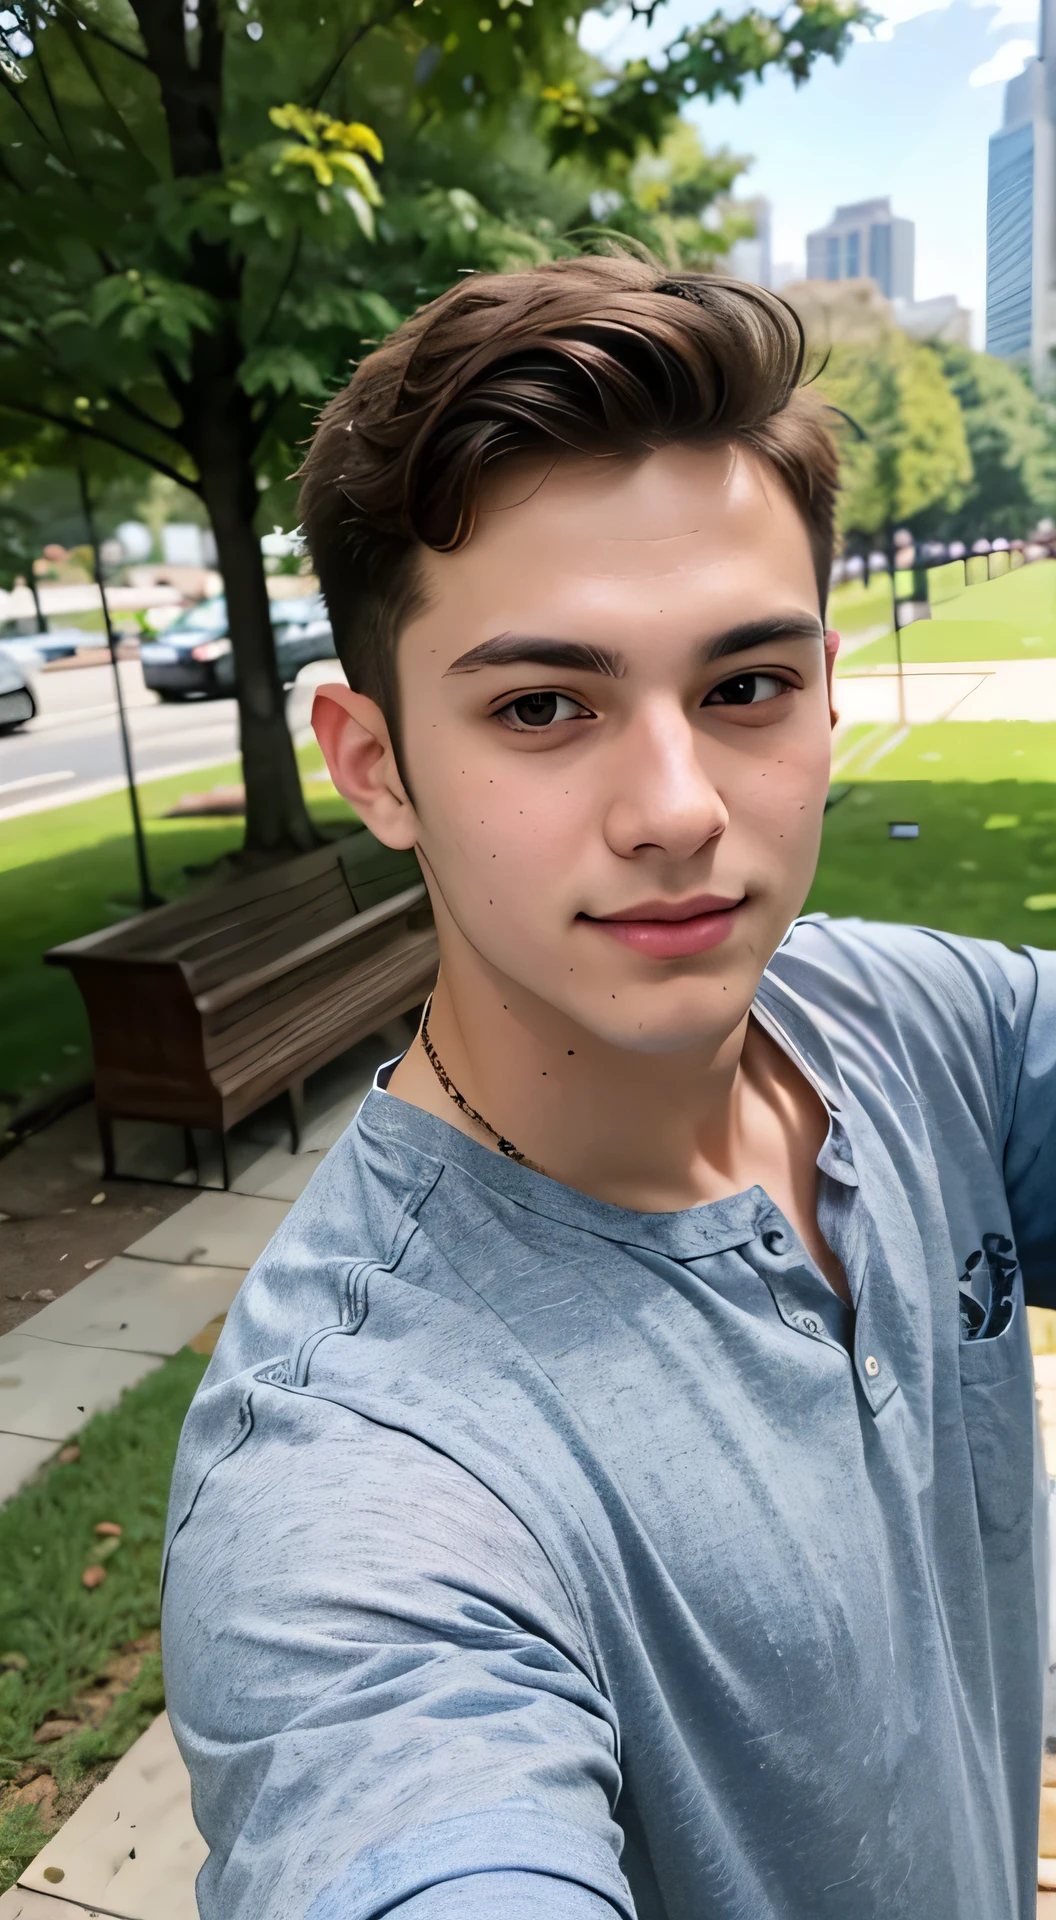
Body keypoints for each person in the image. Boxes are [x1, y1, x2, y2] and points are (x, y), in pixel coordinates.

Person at [162, 252, 1055, 1920]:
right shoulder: (358, 1491)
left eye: (744, 689)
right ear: (375, 764)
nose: (677, 807)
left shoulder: (915, 1023)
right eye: (545, 704)